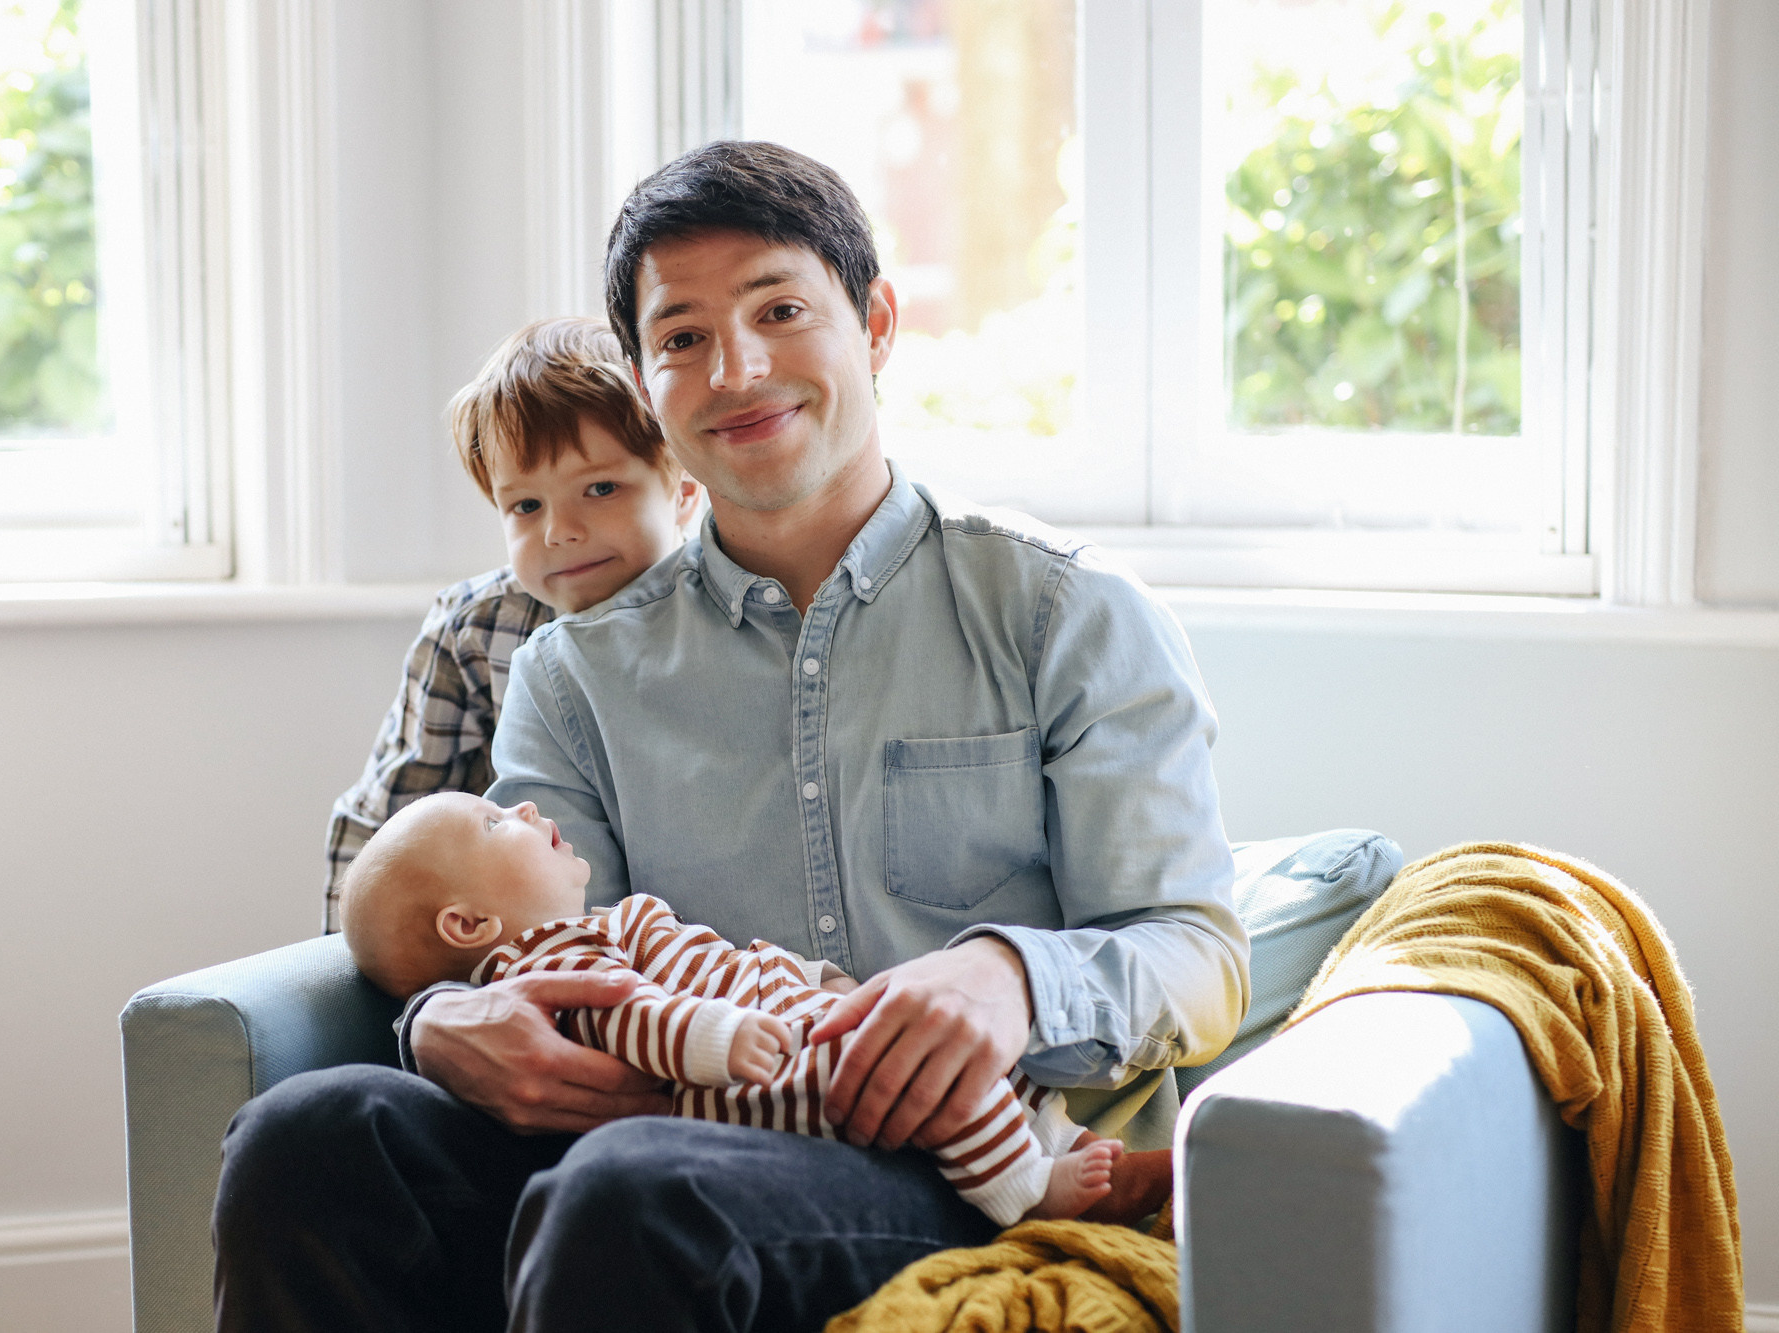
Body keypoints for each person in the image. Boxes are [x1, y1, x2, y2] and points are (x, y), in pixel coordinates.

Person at [214, 141, 1248, 1333]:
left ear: (875, 324)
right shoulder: (573, 672)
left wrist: (1008, 973)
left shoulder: (1062, 611)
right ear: (647, 387)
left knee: (635, 1192)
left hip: (963, 1167)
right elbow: (528, 931)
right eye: (682, 337)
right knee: (312, 1135)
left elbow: (1197, 952)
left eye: (779, 309)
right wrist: (437, 1019)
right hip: (657, 1124)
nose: (736, 368)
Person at [338, 790, 1134, 1227]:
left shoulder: (595, 926)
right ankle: (1023, 1191)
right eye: (496, 820)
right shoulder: (550, 953)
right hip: (762, 1077)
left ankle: (1058, 1147)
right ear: (470, 926)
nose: (530, 812)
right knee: (926, 1072)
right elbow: (624, 1012)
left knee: (951, 1050)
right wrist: (718, 1037)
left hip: (787, 1039)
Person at [320, 316, 702, 930]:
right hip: (501, 937)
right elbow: (388, 820)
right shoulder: (473, 629)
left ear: (682, 489)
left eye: (601, 488)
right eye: (525, 505)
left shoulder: (719, 610)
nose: (559, 531)